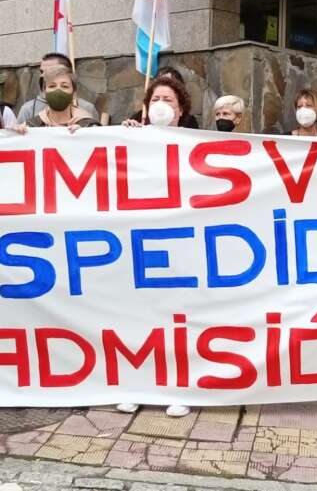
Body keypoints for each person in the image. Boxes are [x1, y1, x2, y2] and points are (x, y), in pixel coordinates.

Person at [119, 74, 194, 418]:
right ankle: (138, 385)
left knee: (178, 318)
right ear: (145, 109)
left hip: (181, 245)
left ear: (180, 112)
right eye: (155, 101)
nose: (161, 106)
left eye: (169, 101)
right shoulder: (130, 139)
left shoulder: (196, 144)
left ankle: (179, 387)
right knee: (140, 316)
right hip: (140, 242)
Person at [16, 53, 98, 123]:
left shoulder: (87, 108)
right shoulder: (28, 109)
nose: (43, 76)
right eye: (42, 72)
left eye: (51, 70)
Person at [128, 66, 200, 128]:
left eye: (167, 100)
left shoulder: (189, 125)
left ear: (180, 109)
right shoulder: (139, 118)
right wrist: (128, 131)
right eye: (155, 99)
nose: (160, 104)